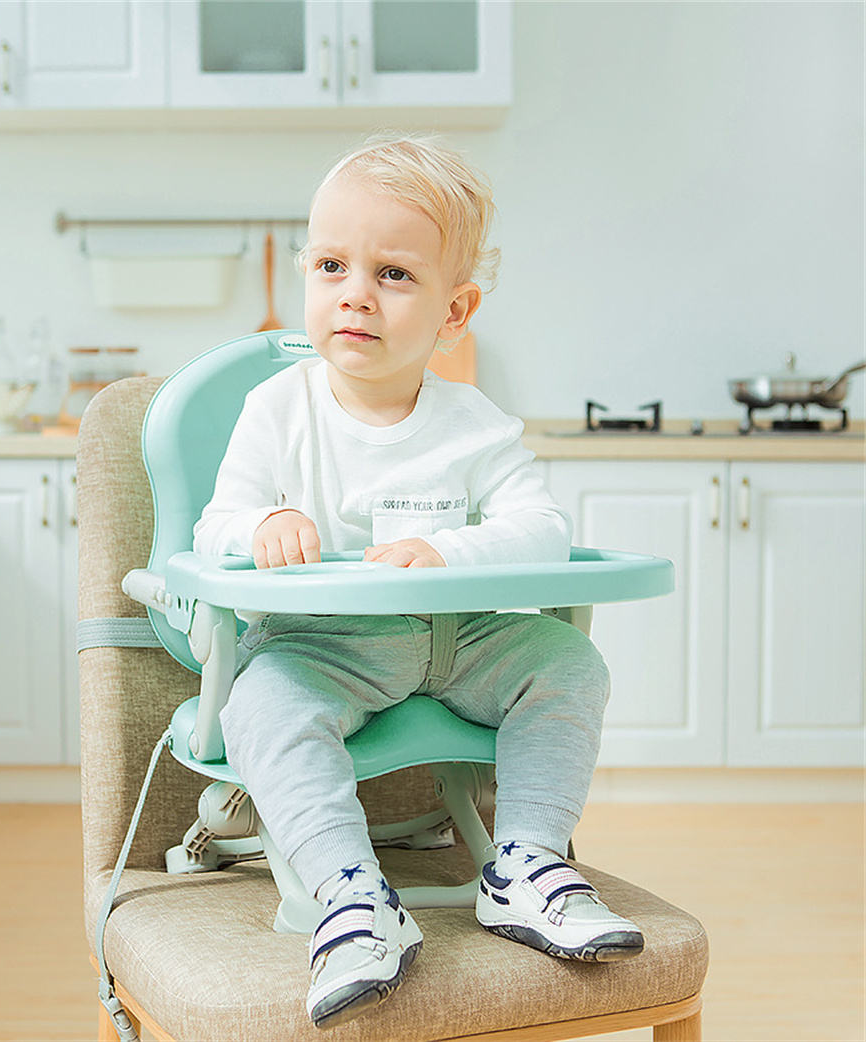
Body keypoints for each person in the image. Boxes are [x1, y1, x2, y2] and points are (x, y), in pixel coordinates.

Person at [193, 135, 643, 1030]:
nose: (355, 292)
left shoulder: (472, 423)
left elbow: (542, 530)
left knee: (568, 664)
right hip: (327, 648)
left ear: (453, 312)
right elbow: (214, 530)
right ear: (306, 278)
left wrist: (451, 553)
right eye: (331, 265)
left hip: (460, 637)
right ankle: (350, 896)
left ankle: (526, 862)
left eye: (393, 274)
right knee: (261, 704)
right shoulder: (277, 411)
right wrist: (263, 527)